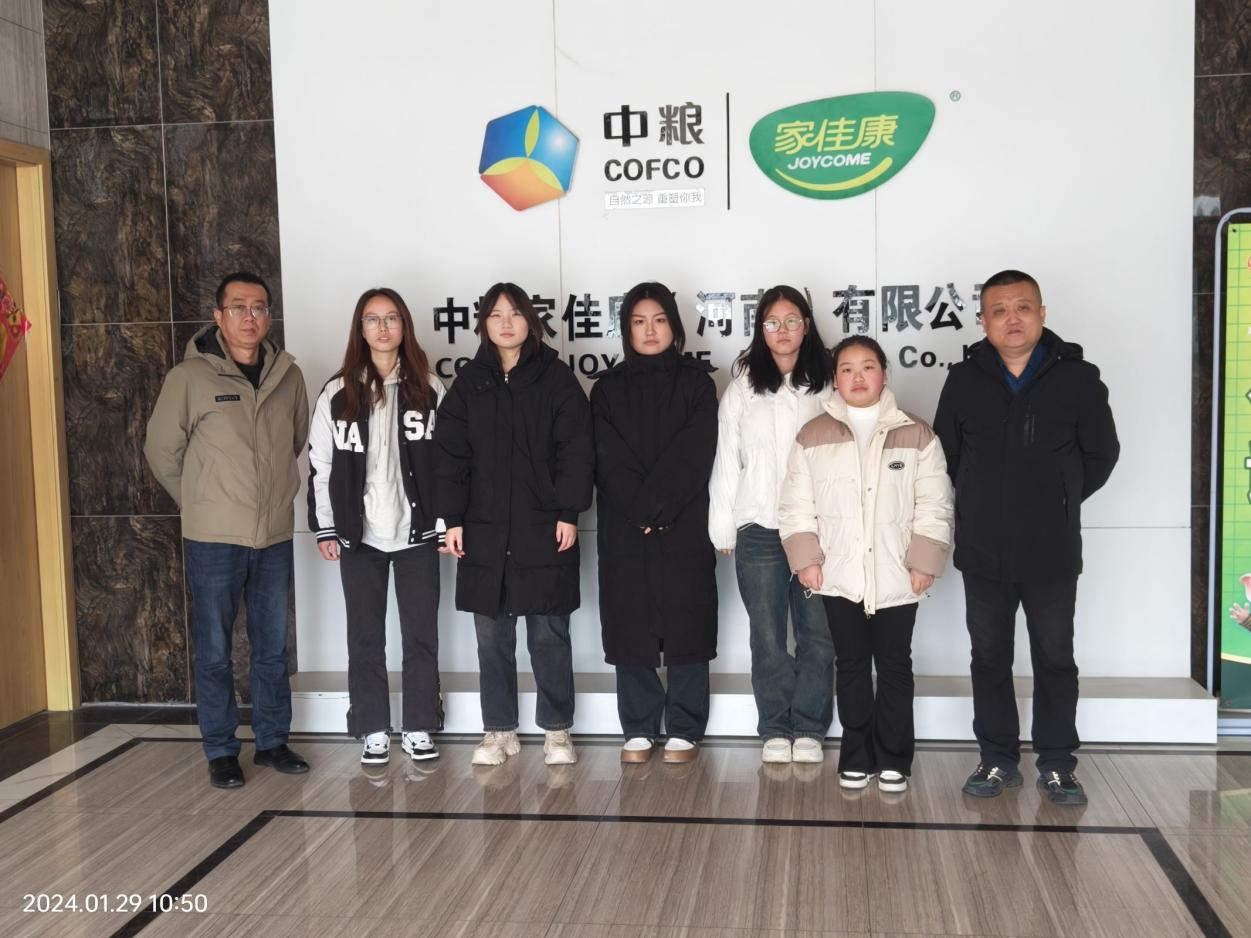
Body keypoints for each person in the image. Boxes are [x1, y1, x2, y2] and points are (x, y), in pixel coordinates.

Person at [933, 269, 1119, 806]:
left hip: (1051, 549)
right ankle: (997, 759)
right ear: (983, 321)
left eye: (1022, 308)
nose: (1011, 319)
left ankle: (1058, 764)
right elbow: (946, 454)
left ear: (1041, 314)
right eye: (999, 310)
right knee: (989, 657)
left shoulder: (1078, 378)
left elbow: (1102, 454)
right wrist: (980, 501)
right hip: (983, 547)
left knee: (1055, 657)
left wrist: (1059, 498)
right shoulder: (964, 380)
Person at [144, 271, 310, 789]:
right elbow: (161, 451)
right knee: (215, 649)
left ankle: (273, 741)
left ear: (269, 316)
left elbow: (296, 441)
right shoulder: (189, 378)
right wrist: (200, 501)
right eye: (238, 307)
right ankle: (220, 749)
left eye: (258, 307)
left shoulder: (288, 376)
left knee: (271, 647)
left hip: (273, 535)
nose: (248, 317)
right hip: (213, 538)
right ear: (218, 316)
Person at [779, 336, 952, 792]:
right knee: (852, 664)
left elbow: (934, 504)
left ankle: (894, 758)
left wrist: (924, 561)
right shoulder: (812, 435)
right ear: (835, 380)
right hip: (838, 574)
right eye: (847, 369)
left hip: (898, 572)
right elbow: (796, 506)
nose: (858, 377)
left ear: (884, 374)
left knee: (894, 665)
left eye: (868, 366)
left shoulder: (916, 433)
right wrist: (806, 561)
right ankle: (856, 754)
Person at [435, 282, 593, 766]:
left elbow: (576, 450)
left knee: (548, 633)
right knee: (492, 637)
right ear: (483, 323)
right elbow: (450, 456)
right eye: (496, 315)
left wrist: (568, 511)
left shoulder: (556, 378)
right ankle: (498, 730)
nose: (506, 323)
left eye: (515, 313)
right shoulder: (470, 382)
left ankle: (557, 730)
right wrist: (452, 519)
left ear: (531, 320)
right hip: (484, 529)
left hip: (543, 526)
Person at [307, 287, 446, 767]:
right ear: (360, 329)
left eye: (391, 318)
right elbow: (321, 463)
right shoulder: (337, 391)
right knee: (364, 636)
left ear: (405, 326)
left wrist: (445, 524)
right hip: (359, 533)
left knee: (420, 634)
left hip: (417, 531)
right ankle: (372, 727)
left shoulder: (429, 387)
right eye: (372, 319)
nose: (382, 328)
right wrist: (327, 527)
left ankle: (420, 724)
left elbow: (450, 462)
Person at [592, 281, 719, 764]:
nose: (650, 330)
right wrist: (642, 509)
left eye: (660, 320)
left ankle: (686, 724)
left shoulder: (697, 384)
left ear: (675, 326)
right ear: (626, 329)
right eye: (639, 321)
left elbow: (695, 451)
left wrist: (659, 506)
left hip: (683, 521)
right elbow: (607, 456)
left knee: (688, 618)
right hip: (626, 526)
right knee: (630, 619)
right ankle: (639, 725)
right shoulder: (607, 389)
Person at [709, 285, 835, 764]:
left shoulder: (828, 381)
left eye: (791, 320)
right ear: (760, 330)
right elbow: (728, 458)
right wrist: (723, 526)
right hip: (758, 526)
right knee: (767, 635)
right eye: (772, 323)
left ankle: (810, 727)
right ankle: (775, 727)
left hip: (816, 527)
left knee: (818, 634)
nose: (782, 330)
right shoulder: (744, 386)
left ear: (807, 325)